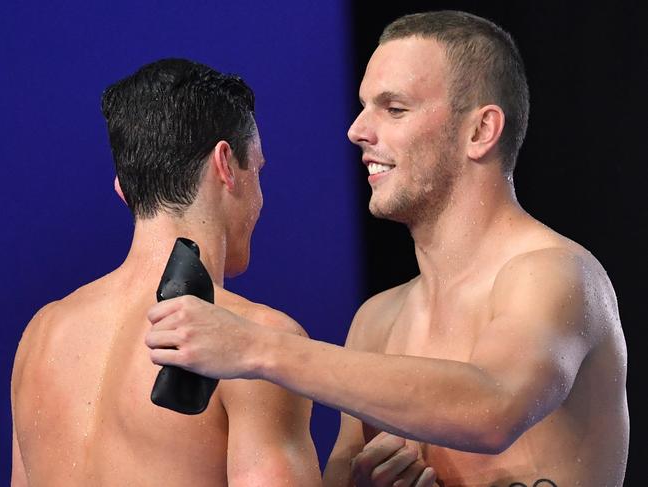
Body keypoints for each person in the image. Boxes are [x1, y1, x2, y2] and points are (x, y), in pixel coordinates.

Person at [144, 11, 629, 487]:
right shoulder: (377, 320)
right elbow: (339, 475)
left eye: (393, 109)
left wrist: (258, 348)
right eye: (363, 106)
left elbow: (494, 407)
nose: (357, 130)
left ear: (481, 131)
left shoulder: (556, 273)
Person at [10, 58, 321, 486]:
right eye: (259, 171)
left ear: (124, 188)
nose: (261, 197)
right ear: (226, 164)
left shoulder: (41, 334)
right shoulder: (256, 344)